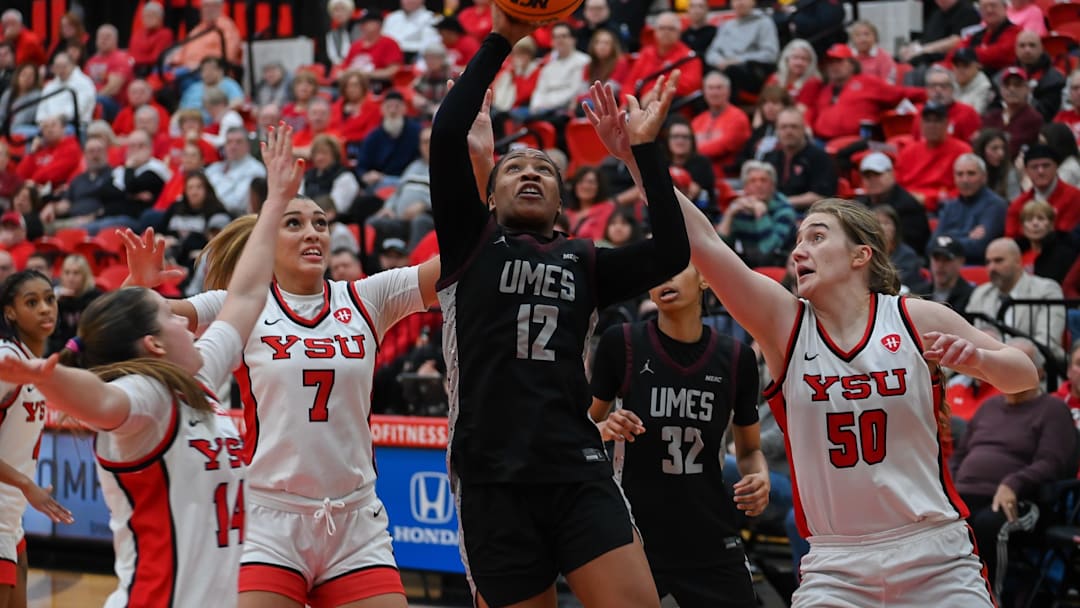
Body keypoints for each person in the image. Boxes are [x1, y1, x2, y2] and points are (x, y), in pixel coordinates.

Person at [586, 81, 1038, 606]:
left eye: (817, 237)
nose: (800, 249)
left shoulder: (914, 316)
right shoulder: (784, 324)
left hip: (934, 553)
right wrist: (639, 158)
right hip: (836, 562)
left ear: (860, 256)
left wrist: (981, 358)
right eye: (798, 239)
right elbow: (704, 241)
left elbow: (1023, 373)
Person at [430, 6, 689, 605]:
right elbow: (446, 135)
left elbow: (673, 249)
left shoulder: (586, 259)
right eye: (512, 168)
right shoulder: (470, 242)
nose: (528, 173)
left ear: (561, 202)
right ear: (488, 198)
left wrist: (645, 153)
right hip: (492, 477)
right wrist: (501, 38)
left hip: (576, 467)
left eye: (542, 170)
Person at [126, 141, 442, 606]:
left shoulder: (367, 297)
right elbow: (145, 319)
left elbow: (455, 264)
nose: (313, 232)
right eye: (294, 223)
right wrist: (140, 284)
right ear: (267, 241)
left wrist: (476, 177)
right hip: (267, 519)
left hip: (353, 520)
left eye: (321, 223)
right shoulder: (241, 306)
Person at [0, 124, 302, 607]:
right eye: (170, 315)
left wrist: (274, 202)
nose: (188, 321)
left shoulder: (200, 374)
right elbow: (101, 400)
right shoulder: (148, 398)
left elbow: (246, 294)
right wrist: (50, 378)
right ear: (154, 345)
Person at [589, 264, 767, 608]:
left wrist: (758, 477)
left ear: (704, 279)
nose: (663, 276)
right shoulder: (622, 343)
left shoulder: (736, 358)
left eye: (675, 267)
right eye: (658, 269)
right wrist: (605, 428)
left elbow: (750, 451)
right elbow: (582, 430)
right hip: (633, 535)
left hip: (709, 532)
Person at [951, 339, 1076, 594]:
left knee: (988, 525)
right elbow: (959, 455)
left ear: (1038, 373)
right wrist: (946, 489)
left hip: (1021, 501)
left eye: (1018, 365)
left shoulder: (1053, 410)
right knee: (938, 526)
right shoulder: (989, 407)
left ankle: (992, 600)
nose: (1008, 372)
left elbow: (1052, 463)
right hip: (965, 495)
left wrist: (1013, 483)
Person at [0, 270, 75, 608]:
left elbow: (90, 341)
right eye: (32, 302)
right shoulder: (7, 361)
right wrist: (25, 484)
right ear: (10, 312)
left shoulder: (35, 362)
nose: (45, 308)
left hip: (10, 519)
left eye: (49, 299)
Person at [931, 153, 1008, 264]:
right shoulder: (950, 206)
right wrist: (967, 235)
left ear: (984, 177)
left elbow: (979, 247)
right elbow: (931, 244)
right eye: (960, 174)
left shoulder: (995, 205)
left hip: (978, 268)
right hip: (946, 266)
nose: (965, 180)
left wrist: (947, 238)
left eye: (971, 174)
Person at [46, 254, 102, 355]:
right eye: (67, 273)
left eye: (76, 273)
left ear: (85, 276)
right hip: (60, 351)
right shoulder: (56, 297)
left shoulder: (96, 297)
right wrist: (54, 301)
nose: (70, 278)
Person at [918, 235, 976, 313]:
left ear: (961, 262)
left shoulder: (972, 297)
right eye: (936, 259)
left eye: (947, 260)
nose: (940, 265)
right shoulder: (919, 294)